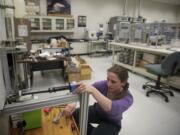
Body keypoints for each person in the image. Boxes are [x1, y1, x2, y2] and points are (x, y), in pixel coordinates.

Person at [64, 64, 133, 135]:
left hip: (111, 122)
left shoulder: (128, 98)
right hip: (97, 111)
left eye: (113, 82)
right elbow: (83, 89)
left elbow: (110, 108)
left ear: (123, 83)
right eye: (108, 79)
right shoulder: (103, 84)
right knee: (74, 114)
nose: (109, 84)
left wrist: (94, 91)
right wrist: (73, 100)